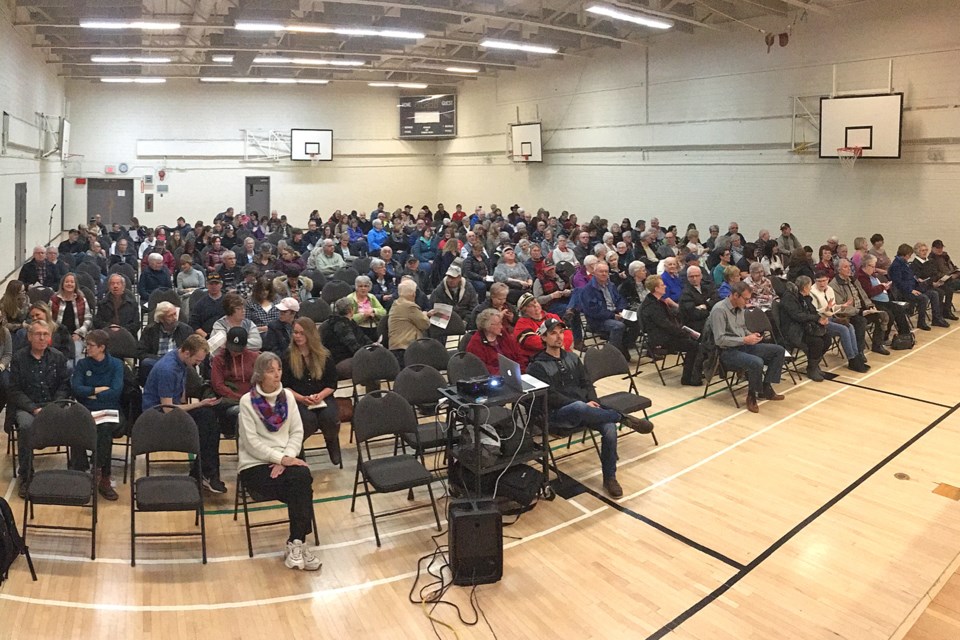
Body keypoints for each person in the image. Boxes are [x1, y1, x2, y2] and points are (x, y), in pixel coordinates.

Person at [527, 318, 652, 498]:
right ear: (544, 338)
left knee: (609, 428)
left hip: (586, 409)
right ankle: (621, 417)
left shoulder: (572, 357)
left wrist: (593, 401)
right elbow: (550, 396)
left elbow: (587, 383)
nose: (559, 337)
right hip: (558, 415)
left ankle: (610, 477)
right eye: (553, 333)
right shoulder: (537, 366)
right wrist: (584, 405)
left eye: (561, 332)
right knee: (578, 406)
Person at [238, 352, 320, 571]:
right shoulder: (247, 402)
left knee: (301, 479)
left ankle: (296, 543)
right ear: (259, 374)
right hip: (255, 465)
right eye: (270, 370)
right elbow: (251, 442)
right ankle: (299, 543)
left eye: (279, 369)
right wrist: (280, 458)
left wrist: (286, 460)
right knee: (302, 486)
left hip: (287, 461)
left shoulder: (288, 397)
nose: (277, 375)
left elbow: (297, 432)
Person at [142, 335, 224, 493]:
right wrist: (199, 404)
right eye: (197, 361)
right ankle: (205, 473)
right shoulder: (168, 369)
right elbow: (167, 408)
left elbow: (180, 397)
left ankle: (204, 473)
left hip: (170, 411)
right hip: (157, 417)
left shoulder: (180, 360)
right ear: (186, 353)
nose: (198, 365)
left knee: (209, 420)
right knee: (206, 421)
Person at [10, 319, 72, 497]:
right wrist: (33, 409)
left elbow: (64, 386)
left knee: (77, 422)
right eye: (38, 334)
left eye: (46, 334)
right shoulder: (18, 359)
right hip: (28, 407)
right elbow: (14, 391)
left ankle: (79, 470)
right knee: (26, 427)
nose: (42, 338)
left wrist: (54, 407)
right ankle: (26, 476)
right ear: (30, 337)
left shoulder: (58, 357)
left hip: (53, 405)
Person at [708, 282, 786, 413]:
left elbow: (742, 328)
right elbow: (719, 339)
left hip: (743, 345)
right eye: (745, 299)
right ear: (735, 295)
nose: (747, 302)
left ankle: (765, 387)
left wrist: (751, 335)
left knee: (778, 351)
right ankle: (751, 396)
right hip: (726, 351)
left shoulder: (740, 308)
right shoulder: (719, 310)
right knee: (756, 362)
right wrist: (744, 339)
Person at [70, 329, 124, 500]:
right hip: (87, 408)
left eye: (91, 345)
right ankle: (90, 472)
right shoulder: (83, 365)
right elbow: (77, 389)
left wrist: (91, 393)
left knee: (104, 429)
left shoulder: (116, 364)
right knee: (79, 424)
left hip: (110, 409)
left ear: (102, 348)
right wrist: (97, 390)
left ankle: (100, 472)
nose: (87, 348)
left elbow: (116, 392)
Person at [282, 318, 342, 467]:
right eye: (295, 332)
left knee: (330, 418)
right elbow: (285, 386)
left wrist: (320, 395)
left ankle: (331, 440)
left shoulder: (324, 354)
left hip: (322, 396)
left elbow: (332, 383)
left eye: (302, 333)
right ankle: (297, 450)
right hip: (298, 398)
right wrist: (302, 398)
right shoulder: (288, 356)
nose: (298, 336)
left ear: (311, 335)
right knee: (306, 421)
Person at [639, 275, 702, 385]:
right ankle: (688, 378)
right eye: (662, 285)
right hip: (661, 338)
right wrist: (683, 333)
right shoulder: (652, 306)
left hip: (667, 333)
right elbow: (666, 325)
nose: (665, 286)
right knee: (694, 346)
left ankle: (694, 373)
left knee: (695, 338)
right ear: (656, 288)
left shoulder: (657, 301)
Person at [810, 272, 868, 372]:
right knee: (844, 329)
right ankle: (852, 359)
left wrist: (841, 306)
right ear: (815, 282)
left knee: (850, 326)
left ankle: (856, 355)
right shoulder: (812, 292)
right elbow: (815, 312)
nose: (822, 283)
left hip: (831, 316)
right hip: (820, 321)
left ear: (827, 280)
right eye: (819, 281)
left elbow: (832, 307)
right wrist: (827, 308)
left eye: (824, 281)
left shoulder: (829, 289)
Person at [779, 276, 830, 382]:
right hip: (794, 330)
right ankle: (811, 369)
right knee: (817, 342)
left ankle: (814, 365)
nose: (811, 289)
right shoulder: (789, 298)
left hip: (806, 326)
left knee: (827, 338)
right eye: (809, 287)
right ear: (805, 287)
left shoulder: (804, 297)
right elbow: (797, 316)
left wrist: (821, 319)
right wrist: (817, 318)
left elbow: (812, 311)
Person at [212, 326, 259, 435]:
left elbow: (260, 380)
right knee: (242, 414)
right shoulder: (219, 359)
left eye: (237, 350)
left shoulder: (255, 357)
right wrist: (238, 397)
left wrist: (252, 396)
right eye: (231, 348)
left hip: (252, 398)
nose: (234, 352)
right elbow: (218, 385)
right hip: (230, 400)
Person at [579, 261, 633, 357]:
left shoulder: (611, 285)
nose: (604, 274)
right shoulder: (588, 290)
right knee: (618, 326)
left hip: (616, 313)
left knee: (636, 318)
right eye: (601, 271)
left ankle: (623, 346)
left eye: (606, 271)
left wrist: (620, 310)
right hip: (599, 320)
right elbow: (593, 311)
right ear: (594, 273)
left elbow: (620, 299)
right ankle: (610, 356)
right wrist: (613, 315)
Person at [889, 243, 947, 330]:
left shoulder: (904, 263)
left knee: (934, 293)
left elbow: (910, 276)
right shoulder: (896, 265)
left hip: (913, 286)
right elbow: (898, 282)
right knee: (923, 298)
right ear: (905, 255)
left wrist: (916, 279)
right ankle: (921, 322)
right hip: (905, 291)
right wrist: (911, 290)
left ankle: (936, 318)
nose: (910, 257)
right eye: (909, 255)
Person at [137, 300, 193, 385]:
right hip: (157, 363)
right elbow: (141, 353)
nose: (175, 318)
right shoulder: (150, 330)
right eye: (170, 316)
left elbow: (192, 351)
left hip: (178, 363)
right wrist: (163, 361)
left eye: (175, 314)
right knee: (146, 363)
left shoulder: (186, 330)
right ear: (161, 319)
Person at [322, 297, 372, 379]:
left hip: (342, 359)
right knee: (371, 361)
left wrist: (372, 345)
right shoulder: (342, 325)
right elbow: (353, 346)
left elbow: (362, 336)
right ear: (350, 310)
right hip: (339, 361)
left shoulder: (348, 322)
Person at [388, 279, 435, 366]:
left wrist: (423, 315)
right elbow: (425, 324)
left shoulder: (397, 303)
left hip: (396, 346)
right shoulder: (410, 306)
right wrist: (425, 314)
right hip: (406, 348)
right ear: (413, 293)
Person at [514, 292, 572, 361]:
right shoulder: (521, 324)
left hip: (563, 353)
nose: (535, 306)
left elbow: (567, 333)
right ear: (524, 311)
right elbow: (533, 343)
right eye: (530, 306)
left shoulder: (552, 316)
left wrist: (562, 346)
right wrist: (556, 346)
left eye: (535, 302)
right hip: (539, 360)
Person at [466, 308, 525, 374]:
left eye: (501, 323)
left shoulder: (503, 334)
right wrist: (505, 373)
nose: (501, 326)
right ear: (487, 326)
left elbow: (518, 354)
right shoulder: (476, 343)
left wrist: (520, 370)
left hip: (515, 373)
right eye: (498, 324)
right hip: (494, 378)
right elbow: (481, 368)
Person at [50, 273, 93, 360]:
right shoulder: (54, 299)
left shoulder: (82, 299)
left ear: (75, 285)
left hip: (76, 335)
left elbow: (88, 319)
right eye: (67, 282)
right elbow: (48, 318)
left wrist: (79, 333)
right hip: (56, 335)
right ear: (62, 284)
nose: (69, 284)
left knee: (75, 354)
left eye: (72, 282)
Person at [93, 273, 140, 337]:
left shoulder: (132, 304)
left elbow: (136, 325)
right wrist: (110, 327)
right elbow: (97, 322)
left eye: (118, 283)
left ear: (123, 286)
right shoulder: (102, 304)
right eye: (112, 284)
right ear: (109, 287)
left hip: (127, 337)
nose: (115, 286)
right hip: (108, 336)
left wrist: (121, 330)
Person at [679, 265, 717, 334]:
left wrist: (705, 306)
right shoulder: (685, 293)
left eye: (697, 276)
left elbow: (716, 300)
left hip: (711, 320)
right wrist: (709, 311)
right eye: (691, 276)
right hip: (697, 325)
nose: (694, 279)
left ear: (701, 276)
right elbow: (693, 314)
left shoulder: (708, 287)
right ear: (688, 278)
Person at [348, 274, 386, 342]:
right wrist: (363, 315)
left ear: (369, 287)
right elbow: (348, 318)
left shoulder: (372, 297)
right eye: (360, 286)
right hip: (357, 329)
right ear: (356, 287)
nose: (363, 288)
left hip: (373, 327)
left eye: (366, 286)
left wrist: (373, 310)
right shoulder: (350, 298)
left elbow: (383, 312)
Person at [188, 272, 225, 337]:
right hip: (206, 336)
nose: (214, 286)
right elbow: (193, 323)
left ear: (221, 285)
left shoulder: (228, 301)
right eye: (211, 284)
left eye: (216, 283)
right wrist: (206, 336)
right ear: (207, 285)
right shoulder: (200, 304)